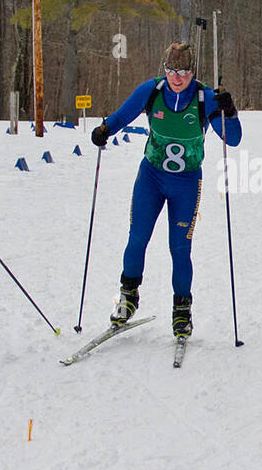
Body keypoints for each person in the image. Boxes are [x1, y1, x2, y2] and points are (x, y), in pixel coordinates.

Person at [88, 41, 242, 339]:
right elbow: (122, 116)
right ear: (165, 70)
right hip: (152, 177)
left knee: (180, 249)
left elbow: (232, 139)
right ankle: (128, 298)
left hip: (186, 182)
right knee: (137, 239)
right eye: (171, 70)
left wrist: (230, 112)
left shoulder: (205, 98)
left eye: (183, 71)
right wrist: (105, 130)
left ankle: (182, 311)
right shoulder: (152, 90)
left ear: (192, 71)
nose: (177, 77)